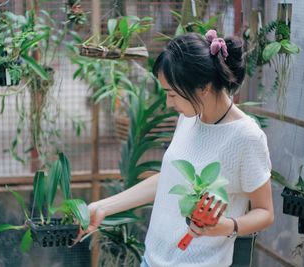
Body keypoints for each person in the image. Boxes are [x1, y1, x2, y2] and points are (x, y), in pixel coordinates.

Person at [76, 30, 274, 267]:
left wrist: (227, 227)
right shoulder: (190, 117)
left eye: (172, 94)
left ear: (203, 87)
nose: (169, 103)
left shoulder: (247, 137)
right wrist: (102, 207)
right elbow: (170, 179)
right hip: (151, 260)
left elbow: (265, 212)